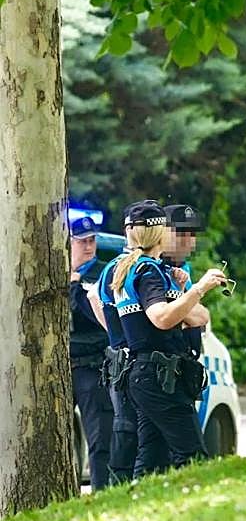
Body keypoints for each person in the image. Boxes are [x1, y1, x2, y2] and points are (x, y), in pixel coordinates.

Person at [114, 201, 227, 473]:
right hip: (157, 375)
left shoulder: (136, 268)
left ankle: (136, 509)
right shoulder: (148, 271)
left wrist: (179, 290)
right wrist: (199, 288)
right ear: (160, 233)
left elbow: (196, 317)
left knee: (152, 459)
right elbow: (161, 318)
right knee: (192, 454)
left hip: (145, 374)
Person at [96, 203, 145, 484]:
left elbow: (96, 299)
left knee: (128, 431)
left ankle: (124, 486)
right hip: (128, 363)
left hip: (122, 359)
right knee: (129, 431)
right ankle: (123, 487)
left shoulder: (115, 267)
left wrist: (116, 334)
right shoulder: (124, 267)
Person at [68, 216, 114, 490]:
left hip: (91, 366)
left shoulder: (100, 275)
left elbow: (92, 314)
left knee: (100, 439)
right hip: (59, 369)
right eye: (82, 241)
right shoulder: (48, 272)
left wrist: (74, 285)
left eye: (92, 240)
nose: (88, 247)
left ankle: (101, 493)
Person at [163, 204, 206, 359]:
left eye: (192, 233)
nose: (188, 240)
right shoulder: (152, 269)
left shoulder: (183, 267)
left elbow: (202, 317)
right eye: (181, 232)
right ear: (162, 232)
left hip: (185, 361)